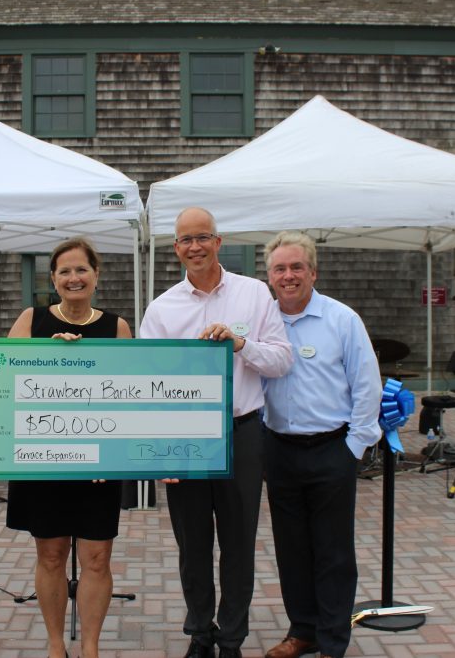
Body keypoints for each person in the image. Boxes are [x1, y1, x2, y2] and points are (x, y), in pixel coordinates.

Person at [139, 207, 292, 658]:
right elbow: (149, 386)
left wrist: (241, 345)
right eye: (186, 240)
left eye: (203, 237)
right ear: (176, 249)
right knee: (193, 544)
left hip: (241, 432)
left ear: (218, 242)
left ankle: (232, 639)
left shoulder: (254, 295)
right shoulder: (163, 308)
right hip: (185, 438)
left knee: (239, 542)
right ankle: (201, 634)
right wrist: (161, 452)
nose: (195, 247)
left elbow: (283, 361)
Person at [5, 237, 132, 658]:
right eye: (64, 271)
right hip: (44, 461)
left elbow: (129, 397)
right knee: (53, 554)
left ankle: (90, 648)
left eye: (82, 270)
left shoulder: (116, 327)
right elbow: (3, 382)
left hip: (98, 463)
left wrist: (114, 453)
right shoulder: (32, 320)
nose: (74, 278)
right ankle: (56, 645)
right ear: (53, 280)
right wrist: (45, 355)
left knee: (97, 558)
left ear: (96, 276)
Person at [260, 231, 382, 658]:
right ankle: (304, 631)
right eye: (280, 268)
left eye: (297, 267)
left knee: (333, 552)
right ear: (269, 276)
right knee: (291, 549)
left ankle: (333, 641)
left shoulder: (342, 320)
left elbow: (368, 385)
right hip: (278, 450)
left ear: (313, 272)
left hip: (333, 450)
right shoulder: (263, 321)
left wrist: (354, 447)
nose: (288, 275)